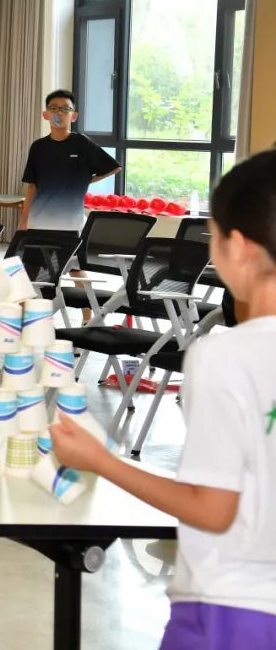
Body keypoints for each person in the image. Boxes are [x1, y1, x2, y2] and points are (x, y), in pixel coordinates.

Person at [49, 151, 276, 649]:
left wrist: (100, 460)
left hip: (233, 610)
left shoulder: (224, 355)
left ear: (239, 247)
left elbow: (212, 510)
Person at [17, 89, 121, 233]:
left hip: (71, 222)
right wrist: (23, 221)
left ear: (74, 116)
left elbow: (114, 168)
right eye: (54, 108)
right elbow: (32, 187)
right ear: (46, 115)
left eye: (66, 109)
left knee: (68, 248)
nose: (59, 113)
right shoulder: (38, 146)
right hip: (39, 219)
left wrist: (84, 180)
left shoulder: (82, 143)